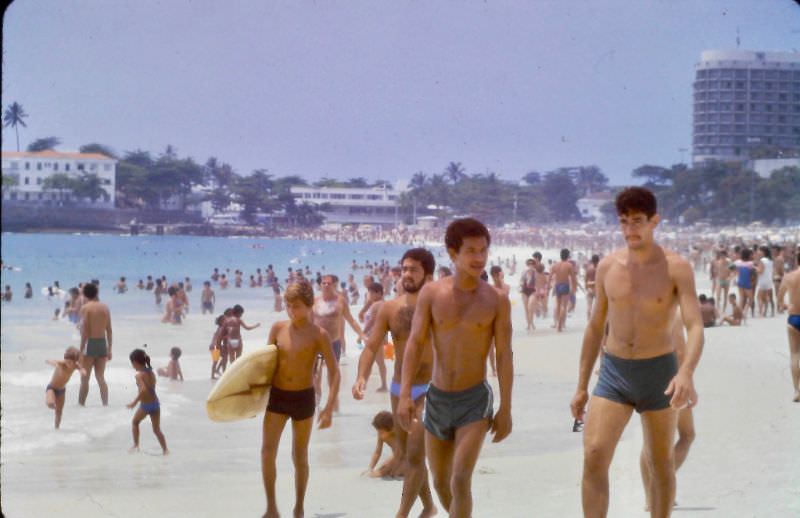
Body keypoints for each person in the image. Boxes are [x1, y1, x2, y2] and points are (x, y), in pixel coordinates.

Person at [570, 187, 703, 518]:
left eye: (638, 221)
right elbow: (594, 327)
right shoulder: (608, 267)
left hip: (659, 373)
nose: (630, 230)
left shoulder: (676, 267)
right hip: (614, 373)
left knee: (660, 463)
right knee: (594, 454)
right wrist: (581, 385)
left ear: (654, 221)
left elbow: (695, 326)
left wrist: (686, 372)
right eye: (624, 222)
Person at [398, 219, 513, 518]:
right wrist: (405, 394)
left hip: (474, 400)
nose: (479, 258)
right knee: (440, 481)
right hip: (437, 399)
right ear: (453, 253)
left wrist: (506, 407)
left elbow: (504, 355)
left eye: (483, 250)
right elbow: (414, 343)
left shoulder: (496, 300)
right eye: (471, 251)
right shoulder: (432, 294)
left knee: (460, 479)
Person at [353, 248, 438, 518]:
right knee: (406, 455)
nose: (407, 274)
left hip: (430, 388)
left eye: (414, 269)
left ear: (428, 274)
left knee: (414, 453)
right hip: (399, 388)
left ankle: (401, 514)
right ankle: (429, 507)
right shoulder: (390, 309)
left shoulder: (439, 306)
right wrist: (361, 376)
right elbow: (371, 346)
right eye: (404, 269)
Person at [262, 279, 340, 518]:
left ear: (309, 306)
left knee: (300, 456)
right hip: (277, 396)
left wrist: (328, 407)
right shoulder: (277, 328)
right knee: (267, 452)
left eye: (296, 306)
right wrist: (252, 399)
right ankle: (272, 507)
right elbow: (264, 365)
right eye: (288, 305)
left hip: (303, 399)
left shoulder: (319, 335)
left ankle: (298, 507)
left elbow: (334, 372)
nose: (291, 310)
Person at [640, 316, 696, 511]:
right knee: (687, 435)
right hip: (671, 380)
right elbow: (680, 350)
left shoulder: (645, 310)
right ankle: (658, 489)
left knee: (649, 441)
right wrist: (687, 383)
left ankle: (650, 497)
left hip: (644, 378)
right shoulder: (672, 311)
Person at [126, 349, 169, 455]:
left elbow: (143, 390)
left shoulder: (139, 375)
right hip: (155, 404)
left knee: (135, 422)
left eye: (132, 363)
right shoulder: (151, 373)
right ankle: (165, 450)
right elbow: (150, 388)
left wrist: (134, 402)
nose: (132, 366)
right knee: (157, 430)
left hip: (146, 405)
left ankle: (136, 445)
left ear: (135, 362)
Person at [78, 282, 113, 406]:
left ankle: (81, 406)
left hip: (90, 344)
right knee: (100, 378)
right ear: (96, 293)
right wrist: (109, 349)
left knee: (85, 379)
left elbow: (85, 332)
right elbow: (109, 330)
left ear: (85, 294)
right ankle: (105, 405)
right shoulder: (105, 308)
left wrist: (81, 350)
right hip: (102, 343)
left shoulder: (85, 308)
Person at [45, 346, 87, 428]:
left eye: (70, 362)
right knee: (50, 403)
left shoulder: (76, 365)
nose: (68, 364)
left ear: (75, 362)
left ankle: (56, 430)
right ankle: (52, 406)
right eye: (66, 361)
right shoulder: (62, 364)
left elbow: (82, 369)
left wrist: (83, 372)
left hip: (62, 390)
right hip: (52, 388)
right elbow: (51, 361)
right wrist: (54, 364)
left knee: (59, 413)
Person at [777, 260, 800, 402]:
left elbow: (779, 298)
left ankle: (797, 390)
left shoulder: (789, 277)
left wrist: (785, 305)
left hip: (794, 317)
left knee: (795, 355)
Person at [362, 282, 388, 392]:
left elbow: (371, 321)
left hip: (374, 336)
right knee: (375, 361)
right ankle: (368, 384)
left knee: (373, 361)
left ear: (378, 293)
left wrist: (361, 334)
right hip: (379, 335)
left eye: (371, 293)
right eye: (369, 293)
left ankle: (382, 385)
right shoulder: (384, 303)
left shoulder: (376, 305)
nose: (370, 295)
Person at [364, 410, 402, 478]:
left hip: (404, 458)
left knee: (385, 469)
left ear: (392, 429)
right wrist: (370, 468)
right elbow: (377, 452)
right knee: (379, 469)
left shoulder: (399, 434)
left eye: (381, 432)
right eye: (378, 431)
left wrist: (384, 468)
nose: (379, 434)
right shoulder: (381, 435)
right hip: (396, 457)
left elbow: (401, 453)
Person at [551, 248, 577, 332]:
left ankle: (557, 323)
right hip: (565, 285)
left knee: (558, 305)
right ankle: (559, 326)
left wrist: (548, 287)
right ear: (568, 256)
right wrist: (574, 288)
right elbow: (573, 278)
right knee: (563, 306)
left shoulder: (555, 265)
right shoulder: (569, 265)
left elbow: (550, 276)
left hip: (557, 285)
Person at [755, 246, 775, 317]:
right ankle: (769, 312)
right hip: (769, 280)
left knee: (759, 297)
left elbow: (760, 271)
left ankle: (761, 312)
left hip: (763, 280)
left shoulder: (762, 260)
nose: (758, 252)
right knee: (768, 297)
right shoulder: (770, 260)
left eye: (759, 250)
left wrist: (755, 268)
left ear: (763, 252)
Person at [519, 259, 537, 331]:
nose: (530, 265)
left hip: (533, 291)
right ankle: (528, 324)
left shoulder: (535, 272)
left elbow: (538, 282)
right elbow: (521, 281)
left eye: (532, 264)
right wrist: (520, 285)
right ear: (527, 265)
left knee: (530, 308)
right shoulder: (524, 272)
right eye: (529, 264)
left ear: (534, 265)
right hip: (524, 291)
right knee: (526, 309)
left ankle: (532, 322)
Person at [585, 255, 600, 320]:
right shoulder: (599, 268)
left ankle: (589, 321)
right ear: (598, 260)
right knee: (597, 307)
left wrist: (586, 288)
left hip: (590, 288)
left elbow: (585, 280)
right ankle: (596, 320)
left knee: (589, 306)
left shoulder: (589, 268)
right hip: (597, 289)